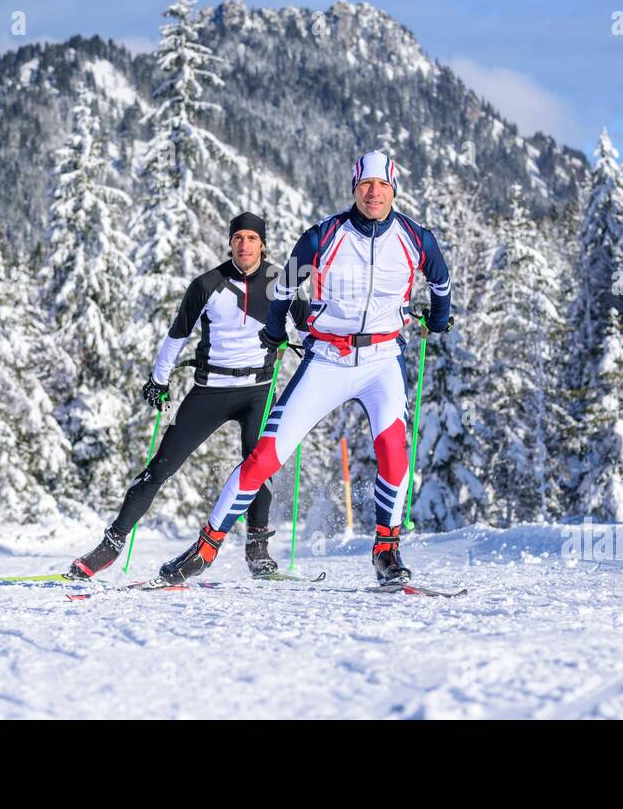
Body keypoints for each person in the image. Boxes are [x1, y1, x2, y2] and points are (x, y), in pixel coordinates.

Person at [158, 150, 452, 586]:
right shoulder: (321, 236)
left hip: (381, 361)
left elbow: (441, 280)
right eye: (366, 185)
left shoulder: (416, 238)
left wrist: (440, 316)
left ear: (393, 189)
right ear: (354, 188)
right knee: (264, 457)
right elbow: (283, 288)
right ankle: (206, 546)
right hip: (327, 360)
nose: (374, 193)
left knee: (395, 454)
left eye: (382, 185)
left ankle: (386, 551)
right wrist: (275, 333)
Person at [66, 211, 309, 581]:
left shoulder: (282, 281)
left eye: (252, 238)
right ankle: (109, 547)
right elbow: (177, 335)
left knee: (258, 468)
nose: (244, 245)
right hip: (209, 390)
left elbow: (309, 324)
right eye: (238, 238)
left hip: (258, 390)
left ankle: (257, 548)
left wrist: (315, 359)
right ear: (230, 243)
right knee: (159, 469)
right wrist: (158, 380)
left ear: (263, 243)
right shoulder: (207, 283)